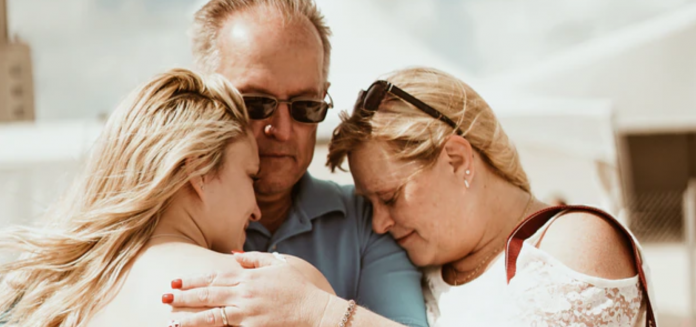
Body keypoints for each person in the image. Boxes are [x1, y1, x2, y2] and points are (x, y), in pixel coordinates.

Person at [166, 67, 657, 327]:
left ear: (458, 160)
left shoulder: (574, 240)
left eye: (391, 197)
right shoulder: (426, 263)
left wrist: (318, 311)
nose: (378, 223)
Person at [0, 68, 332, 327]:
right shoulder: (285, 290)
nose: (257, 209)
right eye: (250, 175)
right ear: (199, 170)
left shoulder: (53, 296)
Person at [168, 1, 428, 326]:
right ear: (203, 97)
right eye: (256, 103)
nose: (283, 130)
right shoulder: (160, 224)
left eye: (305, 106)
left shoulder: (368, 221)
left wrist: (314, 309)